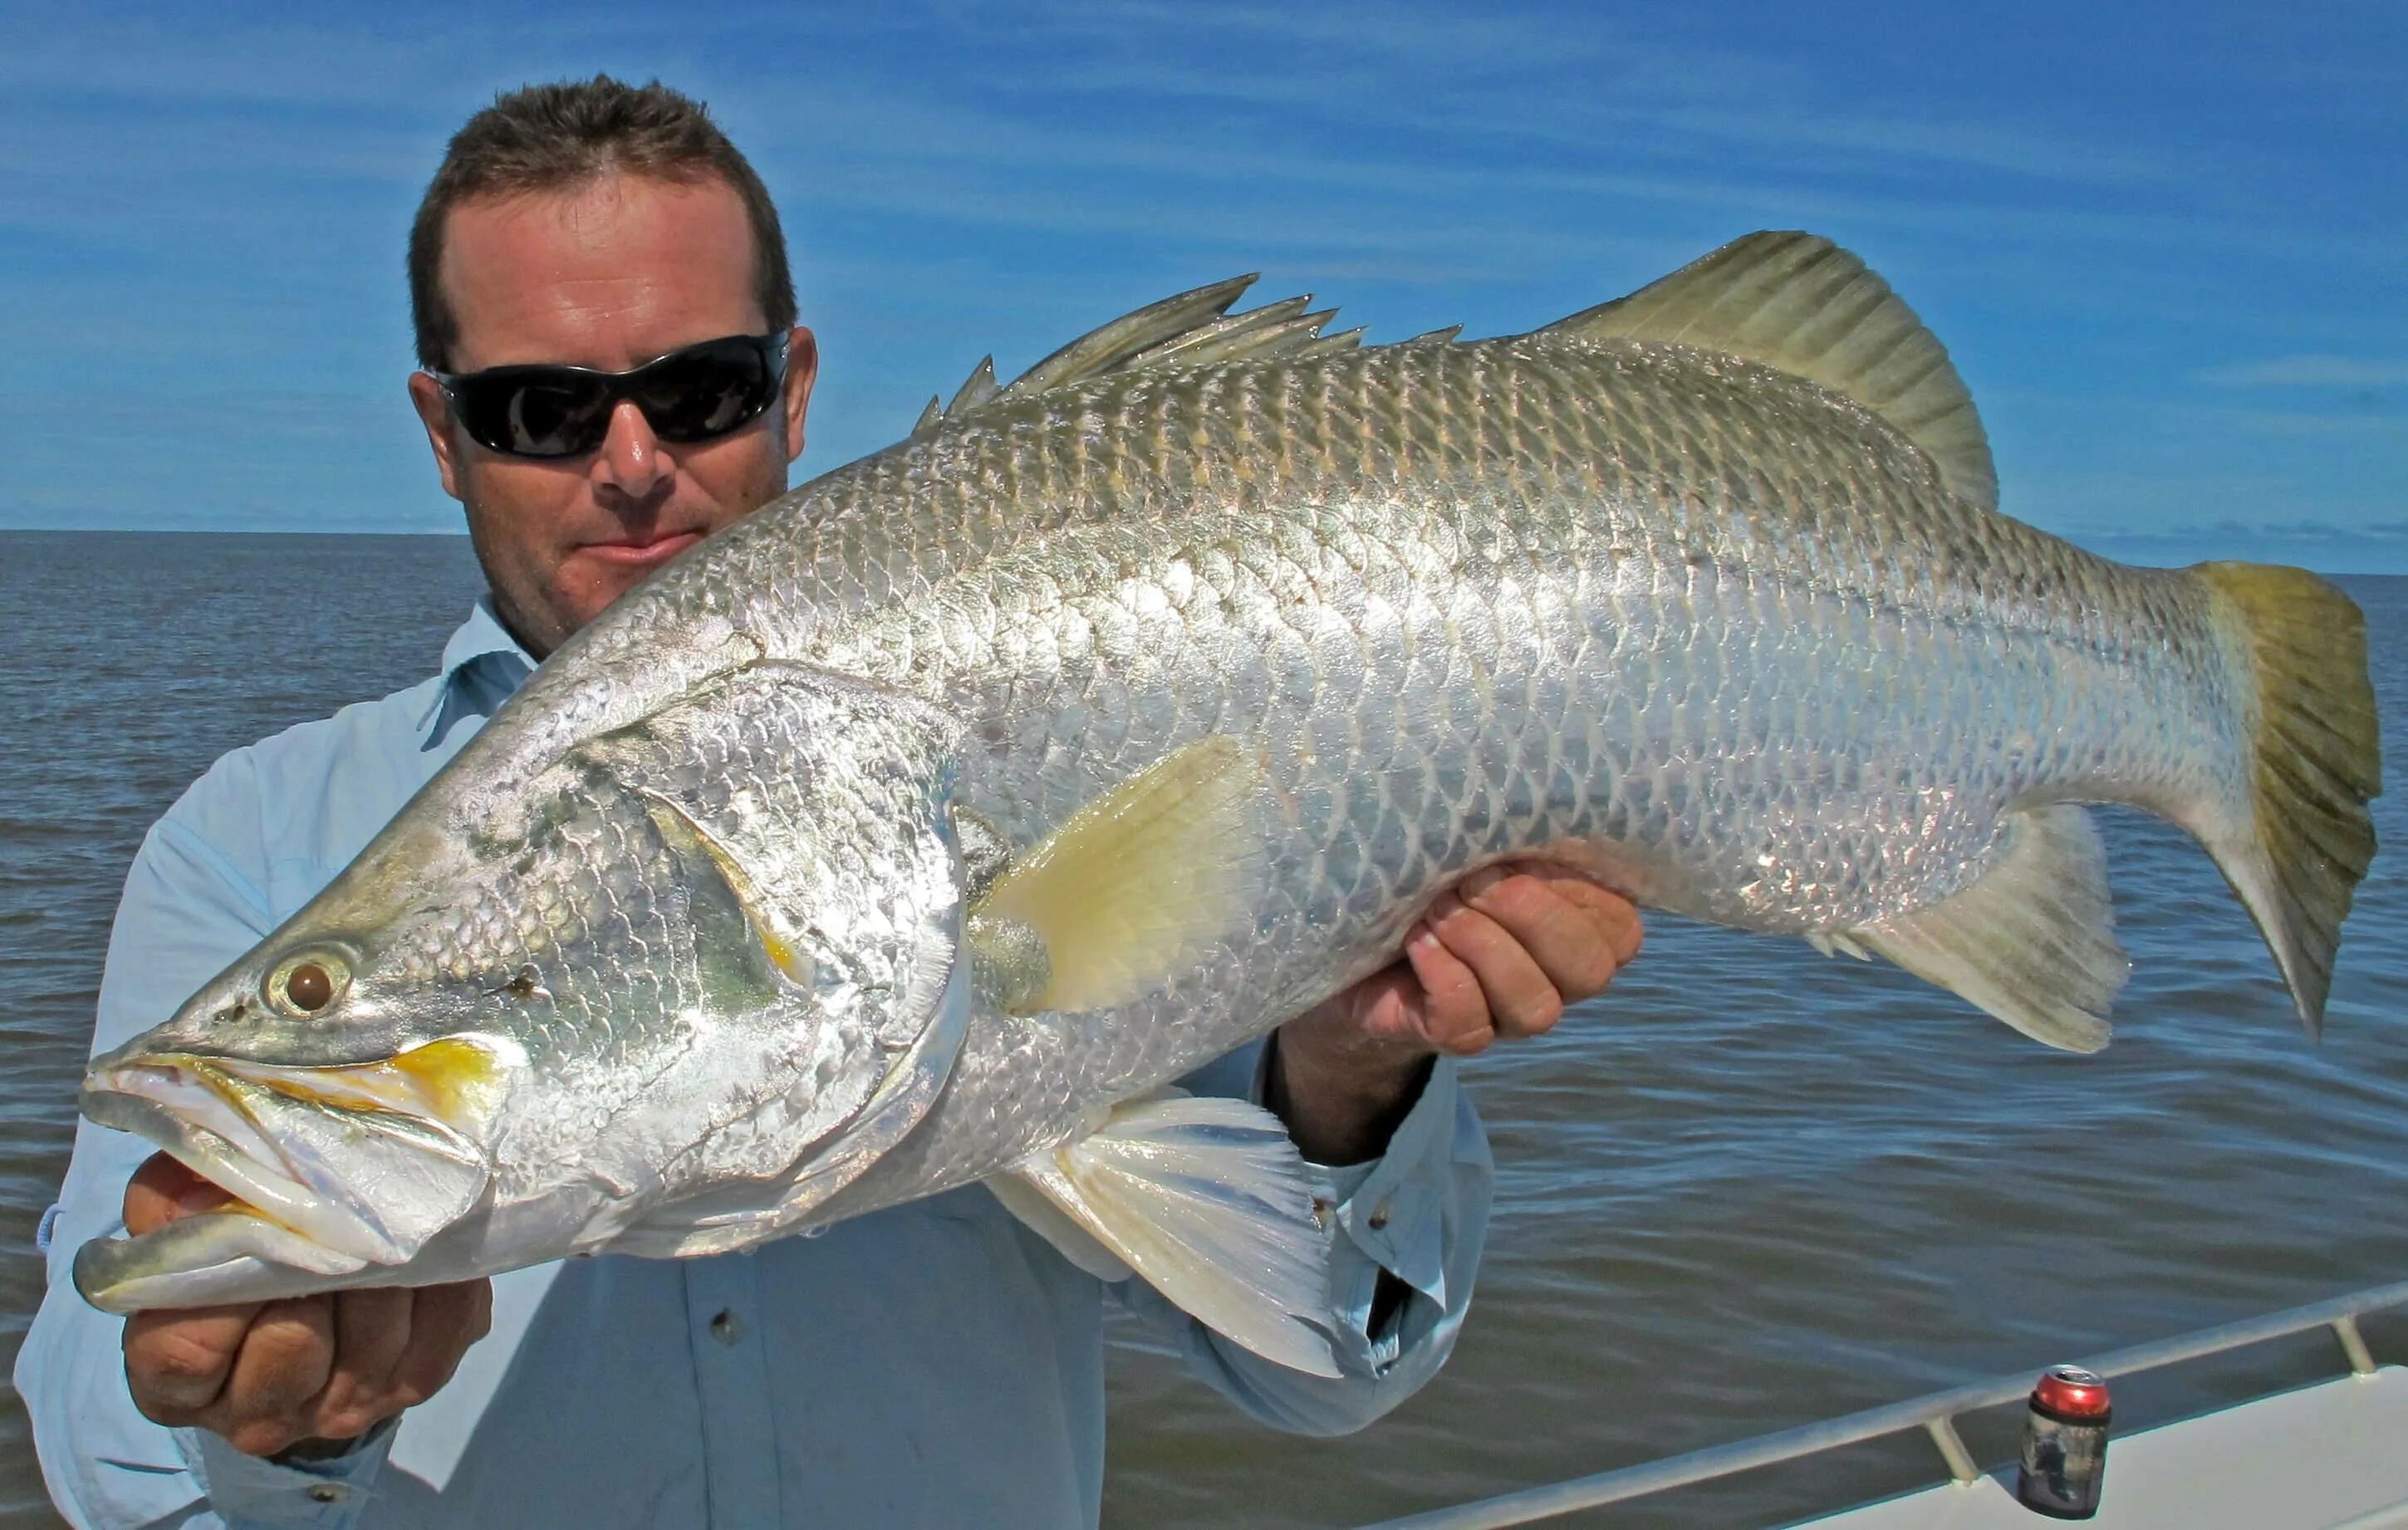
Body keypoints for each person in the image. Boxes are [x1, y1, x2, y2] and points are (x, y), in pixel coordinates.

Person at [17, 77, 1644, 1529]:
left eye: (704, 386)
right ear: (444, 436)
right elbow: (112, 1475)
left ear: (793, 387)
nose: (633, 458)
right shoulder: (252, 844)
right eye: (543, 409)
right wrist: (276, 1435)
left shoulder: (1074, 698)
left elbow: (1325, 1378)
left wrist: (1354, 1071)